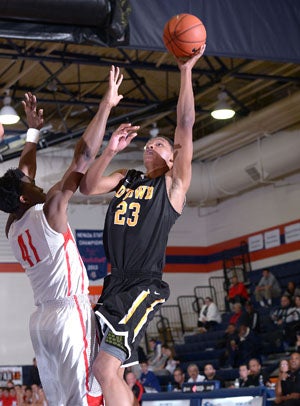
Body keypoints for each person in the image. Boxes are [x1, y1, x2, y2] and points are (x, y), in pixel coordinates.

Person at [79, 46, 206, 406]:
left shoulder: (173, 186)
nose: (152, 144)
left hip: (143, 284)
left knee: (105, 369)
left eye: (161, 143)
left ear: (172, 157)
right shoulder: (126, 177)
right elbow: (87, 187)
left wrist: (184, 71)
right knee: (102, 371)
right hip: (114, 281)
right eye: (149, 142)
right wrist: (109, 152)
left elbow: (184, 125)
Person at [0, 66, 128, 406]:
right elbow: (83, 157)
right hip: (69, 314)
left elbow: (23, 172)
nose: (37, 181)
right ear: (26, 196)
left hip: (40, 321)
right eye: (32, 185)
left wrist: (32, 133)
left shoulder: (13, 224)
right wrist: (106, 105)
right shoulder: (52, 210)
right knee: (84, 399)